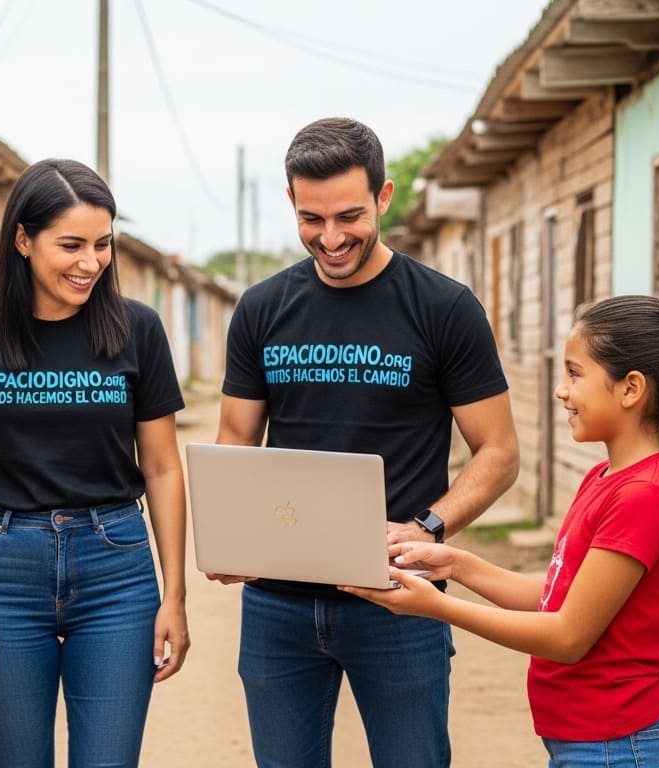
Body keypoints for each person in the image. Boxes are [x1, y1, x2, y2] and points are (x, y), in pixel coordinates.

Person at [209, 116, 520, 767]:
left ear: (384, 196)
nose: (330, 237)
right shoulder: (262, 309)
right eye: (311, 219)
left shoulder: (444, 308)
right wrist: (230, 535)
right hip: (278, 605)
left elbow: (498, 452)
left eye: (349, 215)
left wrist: (428, 528)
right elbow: (236, 437)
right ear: (292, 202)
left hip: (399, 599)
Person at [346, 294, 659, 768]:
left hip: (617, 748)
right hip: (590, 743)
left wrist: (437, 607)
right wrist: (457, 563)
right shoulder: (604, 480)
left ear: (631, 388)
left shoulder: (645, 496)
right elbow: (560, 597)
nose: (561, 390)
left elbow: (566, 635)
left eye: (575, 374)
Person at [0, 158, 189, 767]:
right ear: (23, 240)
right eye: (72, 245)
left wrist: (174, 596)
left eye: (103, 245)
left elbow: (161, 468)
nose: (91, 262)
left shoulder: (138, 329)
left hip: (116, 571)